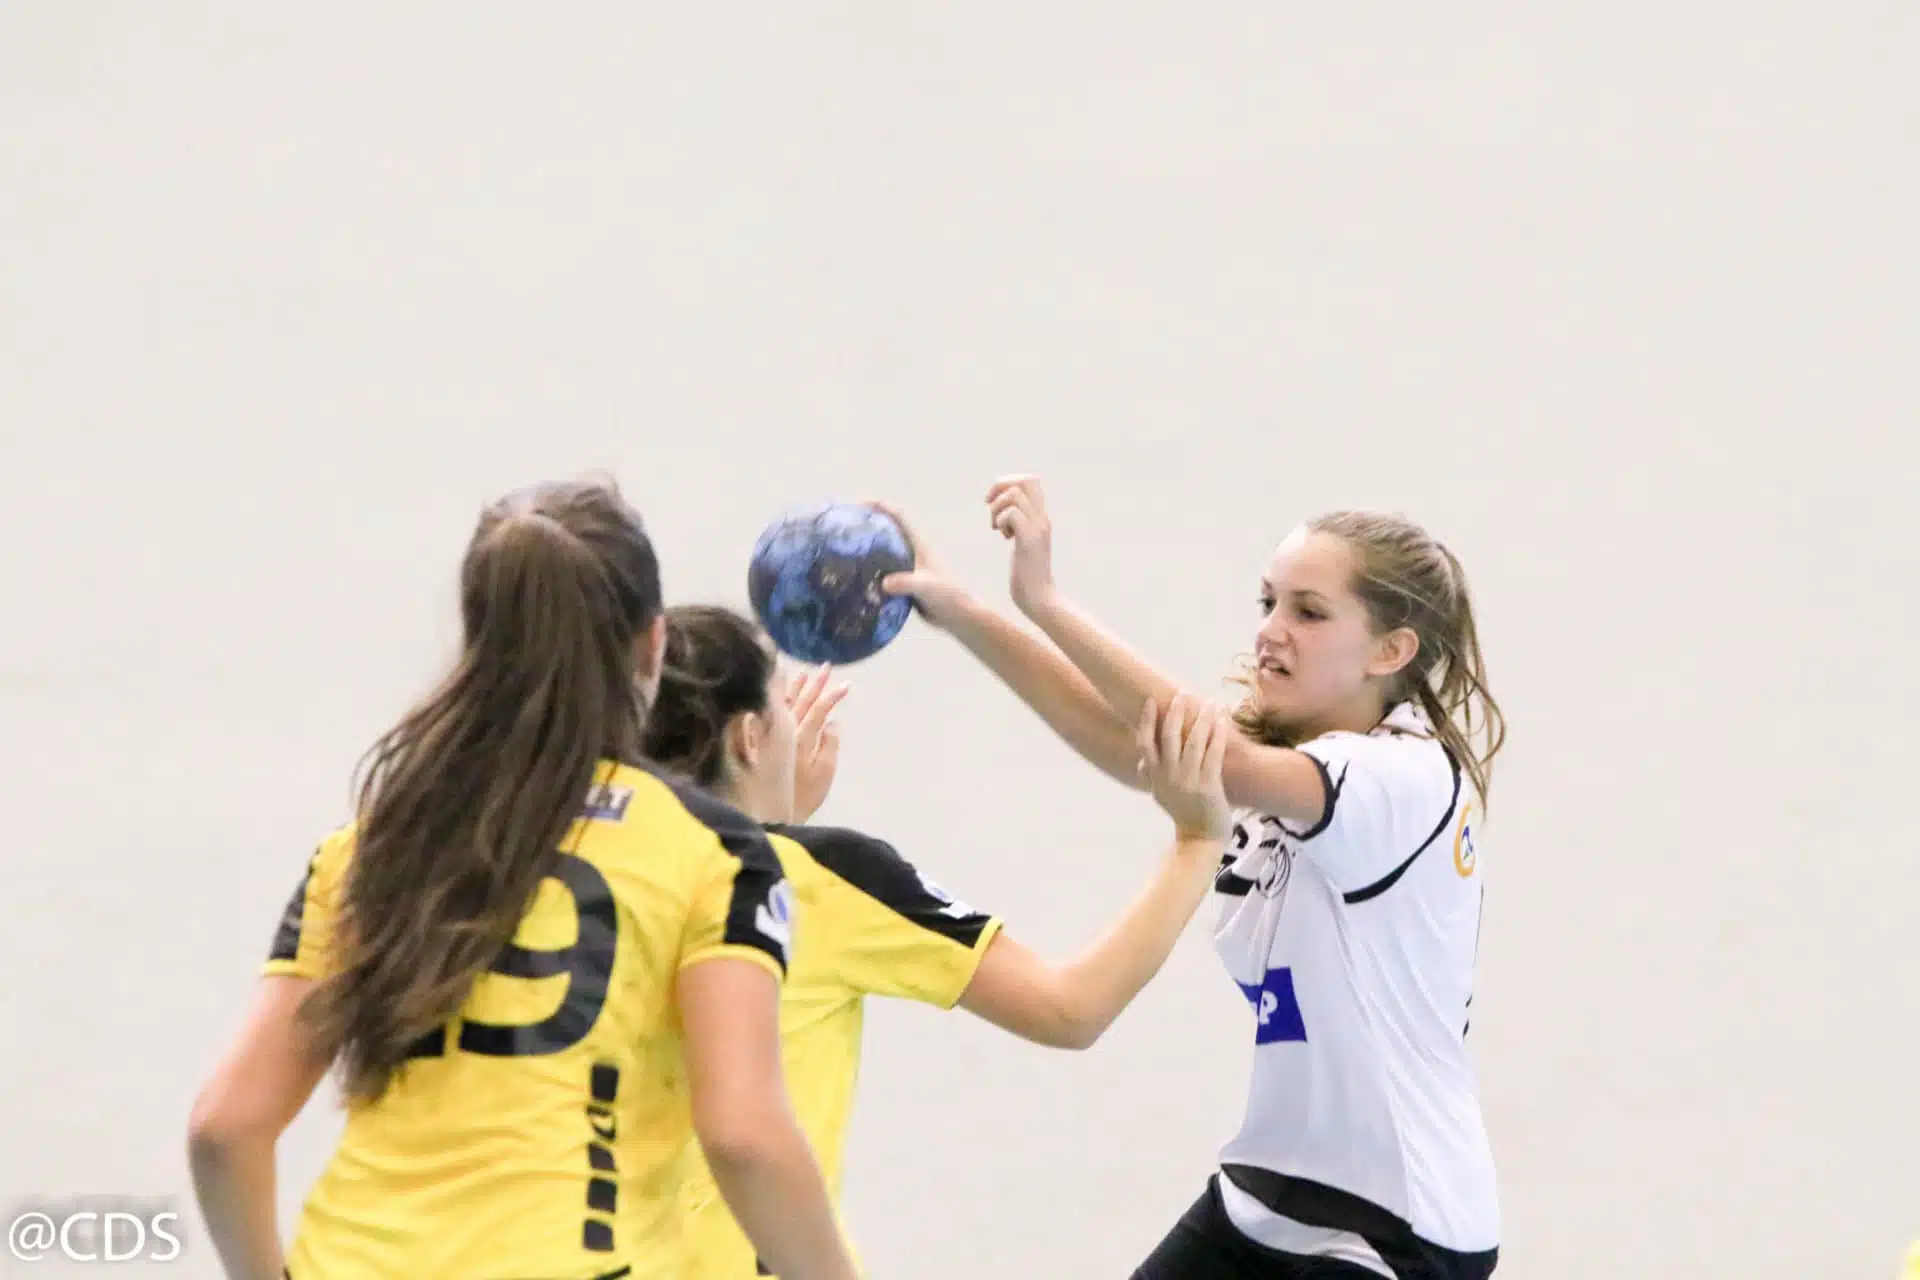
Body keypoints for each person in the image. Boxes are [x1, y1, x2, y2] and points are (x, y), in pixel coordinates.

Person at [185, 477, 859, 1280]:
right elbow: (745, 1138)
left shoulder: (372, 844)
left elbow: (225, 1129)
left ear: (479, 642)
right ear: (652, 644)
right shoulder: (717, 855)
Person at [875, 477, 1508, 1280]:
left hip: (1399, 1225)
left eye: (1309, 612)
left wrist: (1045, 601)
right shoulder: (1285, 752)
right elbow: (1122, 741)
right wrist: (963, 610)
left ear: (1391, 651)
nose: (1271, 631)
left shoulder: (1404, 777)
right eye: (1268, 602)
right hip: (1270, 1195)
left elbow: (1219, 759)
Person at [638, 603, 1236, 1279]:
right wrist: (1197, 841)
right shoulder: (828, 877)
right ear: (750, 738)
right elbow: (1070, 1008)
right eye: (780, 705)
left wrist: (771, 817)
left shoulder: (597, 865)